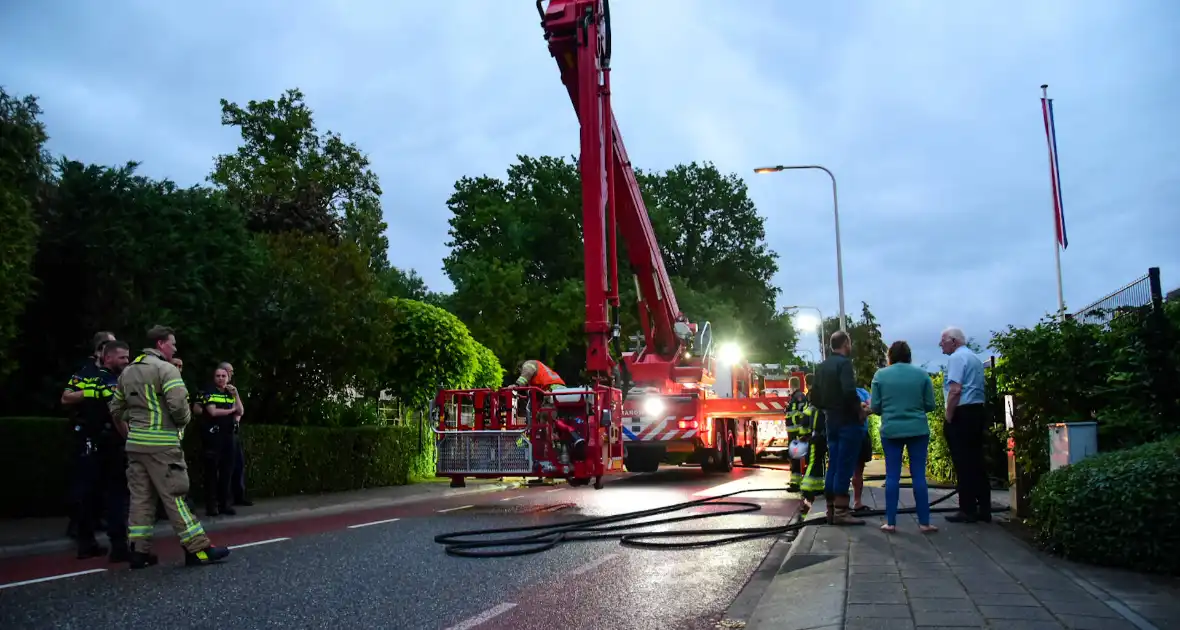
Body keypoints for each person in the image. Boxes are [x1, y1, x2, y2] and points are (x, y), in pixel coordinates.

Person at [109, 325, 230, 568]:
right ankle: (198, 550)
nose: (175, 348)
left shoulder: (128, 372)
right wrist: (181, 424)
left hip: (135, 446)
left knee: (140, 500)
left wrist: (131, 432)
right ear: (161, 344)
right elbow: (180, 410)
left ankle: (138, 552)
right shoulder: (166, 370)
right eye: (172, 343)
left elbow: (115, 408)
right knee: (176, 497)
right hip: (163, 446)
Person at [63, 339, 132, 560]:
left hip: (88, 440)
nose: (126, 361)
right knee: (115, 495)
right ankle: (118, 546)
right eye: (122, 357)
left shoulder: (87, 376)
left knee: (88, 493)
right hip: (108, 442)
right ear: (106, 355)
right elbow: (117, 415)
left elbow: (69, 397)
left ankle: (86, 543)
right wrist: (130, 439)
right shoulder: (110, 380)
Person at [871, 340, 938, 534]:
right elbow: (930, 405)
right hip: (918, 430)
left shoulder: (880, 375)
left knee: (892, 475)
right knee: (919, 475)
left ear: (889, 356)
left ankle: (891, 522)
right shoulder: (922, 375)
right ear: (909, 356)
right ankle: (925, 523)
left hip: (891, 430)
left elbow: (875, 407)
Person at [62, 331, 116, 539]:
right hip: (88, 432)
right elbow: (66, 397)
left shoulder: (110, 372)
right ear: (100, 350)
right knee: (84, 481)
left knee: (103, 480)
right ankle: (78, 524)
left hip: (106, 432)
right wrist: (91, 392)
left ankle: (96, 519)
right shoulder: (87, 372)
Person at [810, 330, 866, 526]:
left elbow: (813, 396)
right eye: (849, 343)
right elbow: (850, 391)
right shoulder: (844, 364)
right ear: (846, 344)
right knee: (845, 465)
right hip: (847, 421)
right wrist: (859, 410)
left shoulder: (821, 367)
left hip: (830, 421)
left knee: (833, 463)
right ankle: (842, 512)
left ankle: (831, 510)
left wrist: (826, 408)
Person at [939, 326, 991, 523]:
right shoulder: (974, 358)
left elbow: (955, 390)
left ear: (953, 341)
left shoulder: (956, 358)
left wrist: (949, 415)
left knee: (963, 462)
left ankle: (967, 509)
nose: (940, 345)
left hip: (963, 413)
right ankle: (984, 508)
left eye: (943, 341)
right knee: (977, 460)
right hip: (977, 411)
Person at [200, 366, 244, 516]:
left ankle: (225, 504)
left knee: (227, 472)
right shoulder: (209, 391)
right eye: (218, 376)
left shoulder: (230, 393)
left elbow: (241, 411)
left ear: (228, 378)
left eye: (223, 376)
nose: (220, 378)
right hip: (213, 436)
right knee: (211, 473)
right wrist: (232, 411)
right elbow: (212, 411)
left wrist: (236, 394)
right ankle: (212, 506)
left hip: (228, 436)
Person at [219, 361, 252, 507]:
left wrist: (236, 419)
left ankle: (239, 496)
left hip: (232, 430)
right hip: (221, 432)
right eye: (229, 371)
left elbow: (240, 410)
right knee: (224, 467)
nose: (231, 375)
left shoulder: (232, 390)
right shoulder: (215, 390)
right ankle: (223, 499)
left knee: (238, 464)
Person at [852, 387, 873, 513]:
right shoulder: (839, 389)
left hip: (861, 433)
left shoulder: (862, 392)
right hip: (848, 434)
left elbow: (872, 407)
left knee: (859, 470)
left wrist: (861, 409)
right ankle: (839, 507)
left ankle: (857, 502)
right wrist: (861, 407)